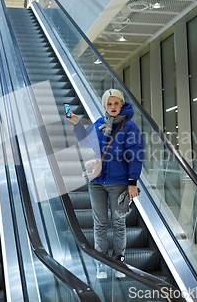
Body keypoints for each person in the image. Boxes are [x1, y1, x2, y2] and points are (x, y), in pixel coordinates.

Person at [65, 88, 143, 279]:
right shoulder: (100, 124)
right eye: (109, 104)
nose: (113, 107)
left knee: (118, 221)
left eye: (116, 103)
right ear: (104, 106)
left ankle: (118, 260)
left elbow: (136, 155)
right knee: (99, 222)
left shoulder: (130, 127)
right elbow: (86, 142)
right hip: (97, 181)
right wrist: (76, 123)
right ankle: (102, 261)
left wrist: (132, 182)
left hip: (119, 181)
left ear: (122, 103)